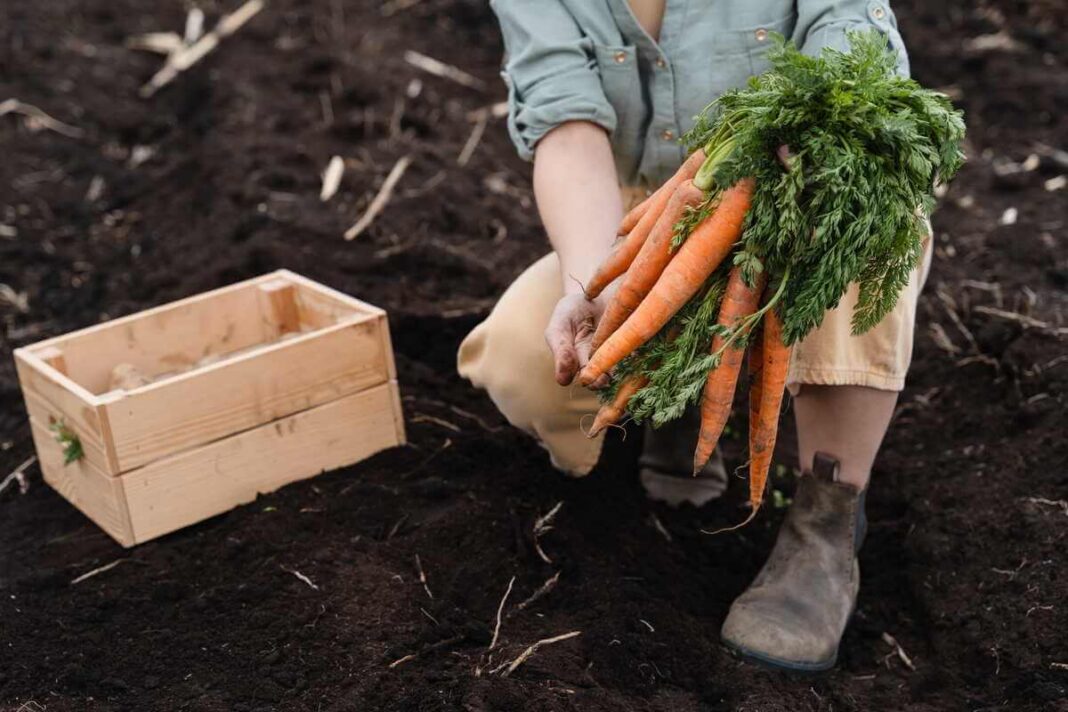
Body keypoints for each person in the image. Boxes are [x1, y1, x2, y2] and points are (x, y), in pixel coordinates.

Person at [458, 0, 928, 672]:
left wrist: (800, 139)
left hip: (808, 187)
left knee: (858, 236)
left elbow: (849, 29)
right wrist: (594, 286)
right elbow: (567, 126)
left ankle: (823, 525)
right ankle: (674, 406)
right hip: (654, 210)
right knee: (522, 364)